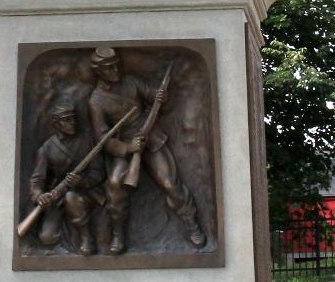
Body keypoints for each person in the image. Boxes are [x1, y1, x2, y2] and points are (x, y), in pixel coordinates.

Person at [87, 46, 205, 255]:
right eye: (109, 67)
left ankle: (192, 226)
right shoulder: (96, 101)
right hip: (124, 145)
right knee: (115, 185)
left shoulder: (131, 82)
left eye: (116, 64)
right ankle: (118, 235)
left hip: (151, 138)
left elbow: (154, 96)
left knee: (170, 183)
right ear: (98, 70)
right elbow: (102, 138)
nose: (115, 69)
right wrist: (127, 148)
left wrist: (160, 97)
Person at [27, 98, 106, 257]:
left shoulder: (87, 140)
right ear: (57, 124)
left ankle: (86, 238)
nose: (73, 123)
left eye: (73, 118)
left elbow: (99, 172)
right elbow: (37, 180)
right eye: (67, 120)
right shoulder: (47, 149)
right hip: (57, 197)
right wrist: (39, 195)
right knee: (47, 238)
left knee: (72, 197)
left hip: (85, 193)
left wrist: (82, 181)